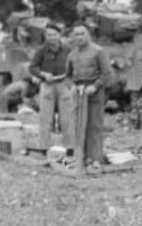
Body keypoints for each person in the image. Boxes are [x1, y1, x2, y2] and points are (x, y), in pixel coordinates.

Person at [66, 24, 111, 170]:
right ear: (73, 37)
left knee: (95, 125)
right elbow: (67, 76)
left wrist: (95, 86)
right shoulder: (72, 55)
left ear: (88, 35)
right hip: (79, 93)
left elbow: (106, 73)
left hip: (95, 92)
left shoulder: (98, 51)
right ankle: (82, 157)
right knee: (79, 125)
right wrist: (71, 86)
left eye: (82, 34)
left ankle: (96, 158)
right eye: (76, 35)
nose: (79, 37)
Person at [29, 23, 74, 162]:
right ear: (45, 36)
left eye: (54, 35)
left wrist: (70, 80)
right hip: (47, 85)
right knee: (45, 117)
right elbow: (33, 67)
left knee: (67, 118)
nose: (52, 38)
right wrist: (42, 74)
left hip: (63, 84)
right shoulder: (41, 51)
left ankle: (70, 147)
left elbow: (74, 66)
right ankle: (44, 147)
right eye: (49, 35)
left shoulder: (68, 50)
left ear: (59, 35)